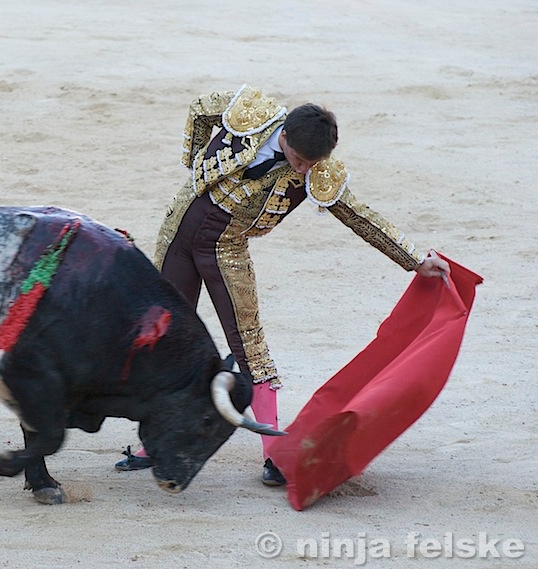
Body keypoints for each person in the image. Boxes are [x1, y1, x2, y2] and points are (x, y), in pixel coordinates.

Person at [114, 84, 450, 485]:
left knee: (250, 348)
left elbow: (359, 216)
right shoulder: (250, 113)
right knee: (163, 337)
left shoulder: (318, 171)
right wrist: (196, 164)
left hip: (226, 249)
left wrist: (414, 260)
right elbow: (201, 109)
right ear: (284, 136)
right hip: (179, 232)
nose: (303, 170)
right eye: (298, 160)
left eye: (311, 164)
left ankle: (274, 453)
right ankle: (156, 443)